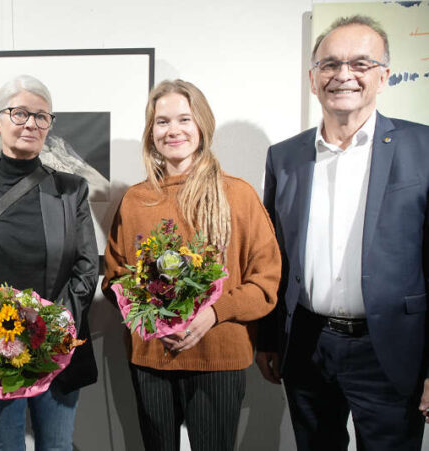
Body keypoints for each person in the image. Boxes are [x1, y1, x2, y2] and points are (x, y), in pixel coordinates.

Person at [256, 15, 429, 450]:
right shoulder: (285, 157)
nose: (343, 75)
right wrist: (270, 339)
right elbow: (274, 254)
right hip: (307, 346)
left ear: (384, 76)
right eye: (330, 64)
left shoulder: (423, 148)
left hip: (391, 349)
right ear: (313, 79)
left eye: (360, 63)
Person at [102, 79, 281, 451]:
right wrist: (149, 318)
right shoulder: (135, 200)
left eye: (184, 119)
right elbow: (115, 274)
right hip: (151, 357)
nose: (173, 130)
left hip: (218, 358)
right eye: (162, 121)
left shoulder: (238, 195)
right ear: (151, 132)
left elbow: (265, 281)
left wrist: (215, 313)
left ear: (202, 124)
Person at [0, 74, 98, 451]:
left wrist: (54, 331)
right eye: (20, 113)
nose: (31, 124)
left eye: (42, 116)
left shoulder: (71, 190)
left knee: (56, 446)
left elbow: (86, 268)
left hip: (57, 347)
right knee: (2, 445)